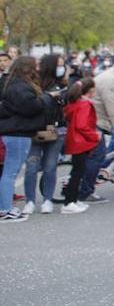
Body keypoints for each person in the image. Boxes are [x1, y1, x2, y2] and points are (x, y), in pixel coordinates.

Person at [0, 55, 63, 223]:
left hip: (15, 132)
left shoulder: (13, 84)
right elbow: (30, 107)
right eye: (35, 65)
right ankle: (5, 209)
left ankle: (6, 207)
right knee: (10, 173)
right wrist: (48, 98)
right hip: (18, 133)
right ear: (27, 68)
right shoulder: (21, 87)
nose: (38, 68)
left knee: (10, 172)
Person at [81, 51, 114, 203]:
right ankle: (86, 192)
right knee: (96, 157)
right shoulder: (110, 79)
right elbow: (112, 108)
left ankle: (87, 187)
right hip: (95, 122)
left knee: (98, 156)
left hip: (101, 121)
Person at [21, 53, 67, 215]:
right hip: (35, 130)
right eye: (59, 64)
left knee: (50, 166)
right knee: (32, 167)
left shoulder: (60, 84)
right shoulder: (33, 84)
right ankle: (30, 201)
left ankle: (47, 199)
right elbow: (31, 105)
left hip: (57, 130)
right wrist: (49, 98)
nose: (62, 68)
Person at [60, 78, 100, 214]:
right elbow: (82, 125)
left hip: (74, 140)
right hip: (81, 142)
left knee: (76, 172)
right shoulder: (85, 105)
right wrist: (95, 135)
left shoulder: (75, 103)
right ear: (90, 90)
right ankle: (69, 202)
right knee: (78, 173)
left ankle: (72, 200)